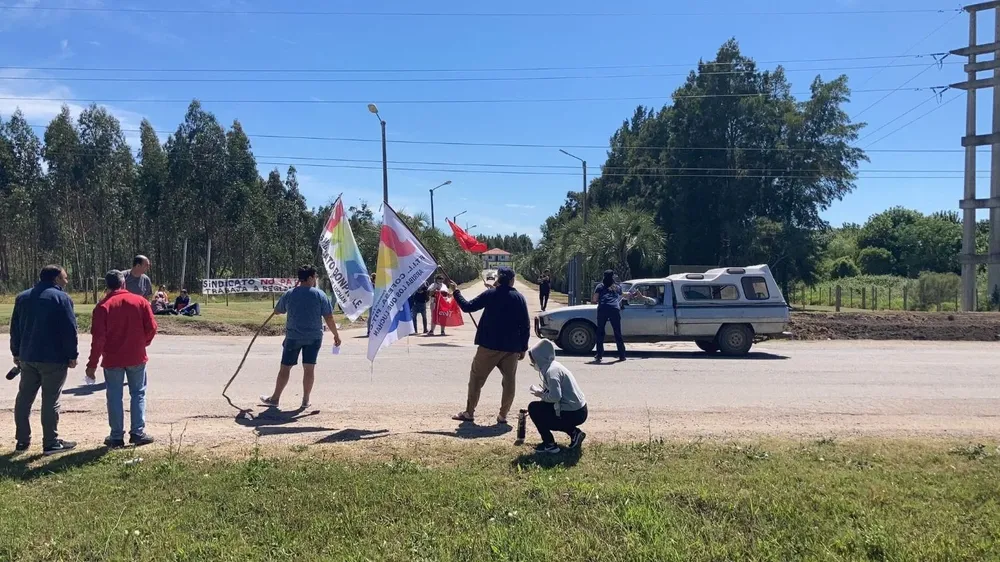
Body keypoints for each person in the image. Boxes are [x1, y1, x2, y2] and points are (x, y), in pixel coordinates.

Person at [9, 265, 79, 455]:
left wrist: (16, 352)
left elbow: (15, 328)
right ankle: (50, 442)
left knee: (24, 399)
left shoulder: (22, 297)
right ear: (56, 278)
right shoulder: (61, 298)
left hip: (28, 356)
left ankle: (22, 441)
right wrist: (72, 355)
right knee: (50, 400)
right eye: (64, 277)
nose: (66, 281)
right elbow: (69, 329)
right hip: (53, 358)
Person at [449, 267, 530, 425]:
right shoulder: (519, 298)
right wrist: (523, 348)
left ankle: (469, 412)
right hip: (512, 348)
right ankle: (503, 415)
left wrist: (456, 291)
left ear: (498, 279)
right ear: (512, 280)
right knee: (509, 382)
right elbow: (525, 325)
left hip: (488, 346)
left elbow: (467, 307)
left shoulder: (490, 294)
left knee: (476, 379)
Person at [86, 270, 158, 448]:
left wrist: (92, 365)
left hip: (112, 358)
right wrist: (143, 343)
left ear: (107, 285)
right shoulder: (140, 301)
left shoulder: (103, 306)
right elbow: (152, 327)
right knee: (138, 393)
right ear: (123, 283)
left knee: (114, 396)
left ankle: (116, 436)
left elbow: (98, 340)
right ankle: (137, 432)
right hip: (136, 355)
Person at [260, 265, 342, 410]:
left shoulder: (290, 293)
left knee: (285, 368)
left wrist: (282, 307)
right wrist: (336, 335)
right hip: (314, 337)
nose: (315, 280)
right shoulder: (320, 295)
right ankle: (305, 400)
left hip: (294, 337)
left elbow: (278, 311)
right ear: (310, 278)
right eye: (315, 277)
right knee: (309, 369)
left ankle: (275, 398)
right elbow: (329, 317)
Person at [526, 339, 588, 454]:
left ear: (540, 358)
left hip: (575, 413)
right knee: (542, 407)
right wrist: (543, 393)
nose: (532, 363)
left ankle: (549, 445)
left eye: (533, 359)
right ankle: (574, 433)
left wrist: (541, 395)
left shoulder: (551, 372)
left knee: (534, 408)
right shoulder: (554, 366)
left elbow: (555, 397)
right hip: (579, 410)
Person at [593, 269, 627, 363]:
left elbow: (595, 299)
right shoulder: (616, 287)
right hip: (614, 309)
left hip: (603, 309)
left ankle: (599, 354)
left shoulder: (600, 286)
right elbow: (622, 294)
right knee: (617, 332)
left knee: (600, 332)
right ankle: (622, 355)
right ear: (613, 277)